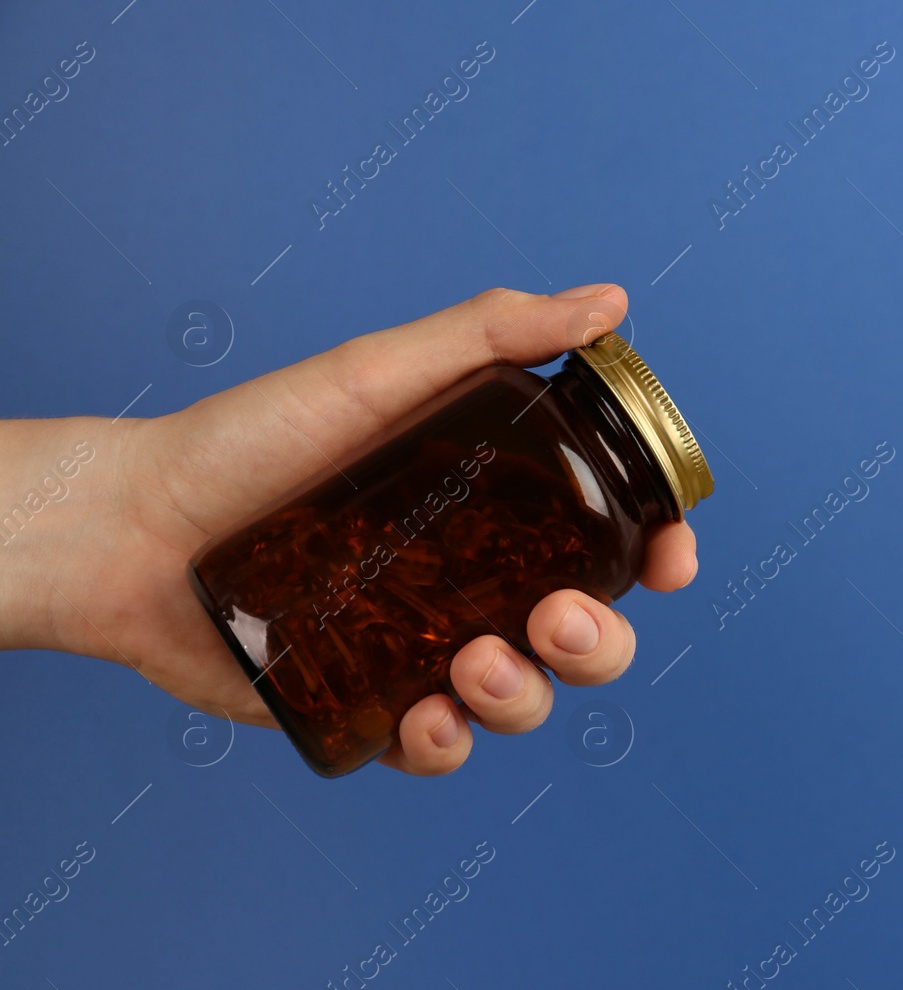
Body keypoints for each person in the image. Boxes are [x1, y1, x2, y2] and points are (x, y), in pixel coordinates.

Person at [0, 284, 696, 775]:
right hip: (238, 576)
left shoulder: (612, 541)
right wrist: (129, 507)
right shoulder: (514, 400)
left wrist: (108, 528)